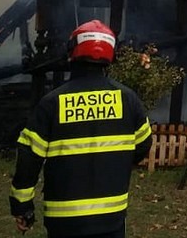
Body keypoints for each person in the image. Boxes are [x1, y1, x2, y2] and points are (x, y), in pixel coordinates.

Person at [9, 20, 152, 237]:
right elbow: (143, 145)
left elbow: (29, 158)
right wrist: (116, 162)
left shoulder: (52, 103)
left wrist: (22, 207)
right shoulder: (128, 100)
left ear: (72, 52)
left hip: (64, 222)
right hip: (111, 219)